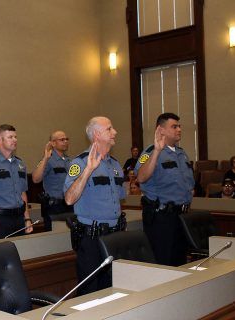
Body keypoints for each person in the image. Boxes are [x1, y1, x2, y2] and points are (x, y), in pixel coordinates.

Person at [64, 116, 126, 295]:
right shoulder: (80, 163)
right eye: (109, 129)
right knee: (90, 292)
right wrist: (88, 170)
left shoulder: (114, 164)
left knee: (112, 290)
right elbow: (69, 198)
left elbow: (120, 196)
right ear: (97, 134)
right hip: (92, 238)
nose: (114, 132)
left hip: (115, 236)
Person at [135, 112, 194, 267]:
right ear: (161, 130)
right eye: (174, 126)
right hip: (162, 218)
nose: (179, 129)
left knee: (180, 262)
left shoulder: (182, 154)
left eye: (179, 126)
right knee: (163, 262)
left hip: (182, 216)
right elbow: (141, 177)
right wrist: (156, 151)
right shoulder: (150, 152)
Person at [0, 124, 33, 239]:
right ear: (0, 139)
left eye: (15, 137)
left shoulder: (20, 164)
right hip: (0, 220)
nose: (14, 140)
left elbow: (22, 194)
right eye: (10, 137)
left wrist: (27, 218)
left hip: (19, 218)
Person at [31, 130, 72, 231]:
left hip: (69, 205)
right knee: (55, 240)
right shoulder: (48, 160)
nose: (65, 141)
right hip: (54, 207)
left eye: (67, 139)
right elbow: (36, 179)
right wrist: (45, 158)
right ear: (53, 143)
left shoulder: (70, 161)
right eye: (62, 139)